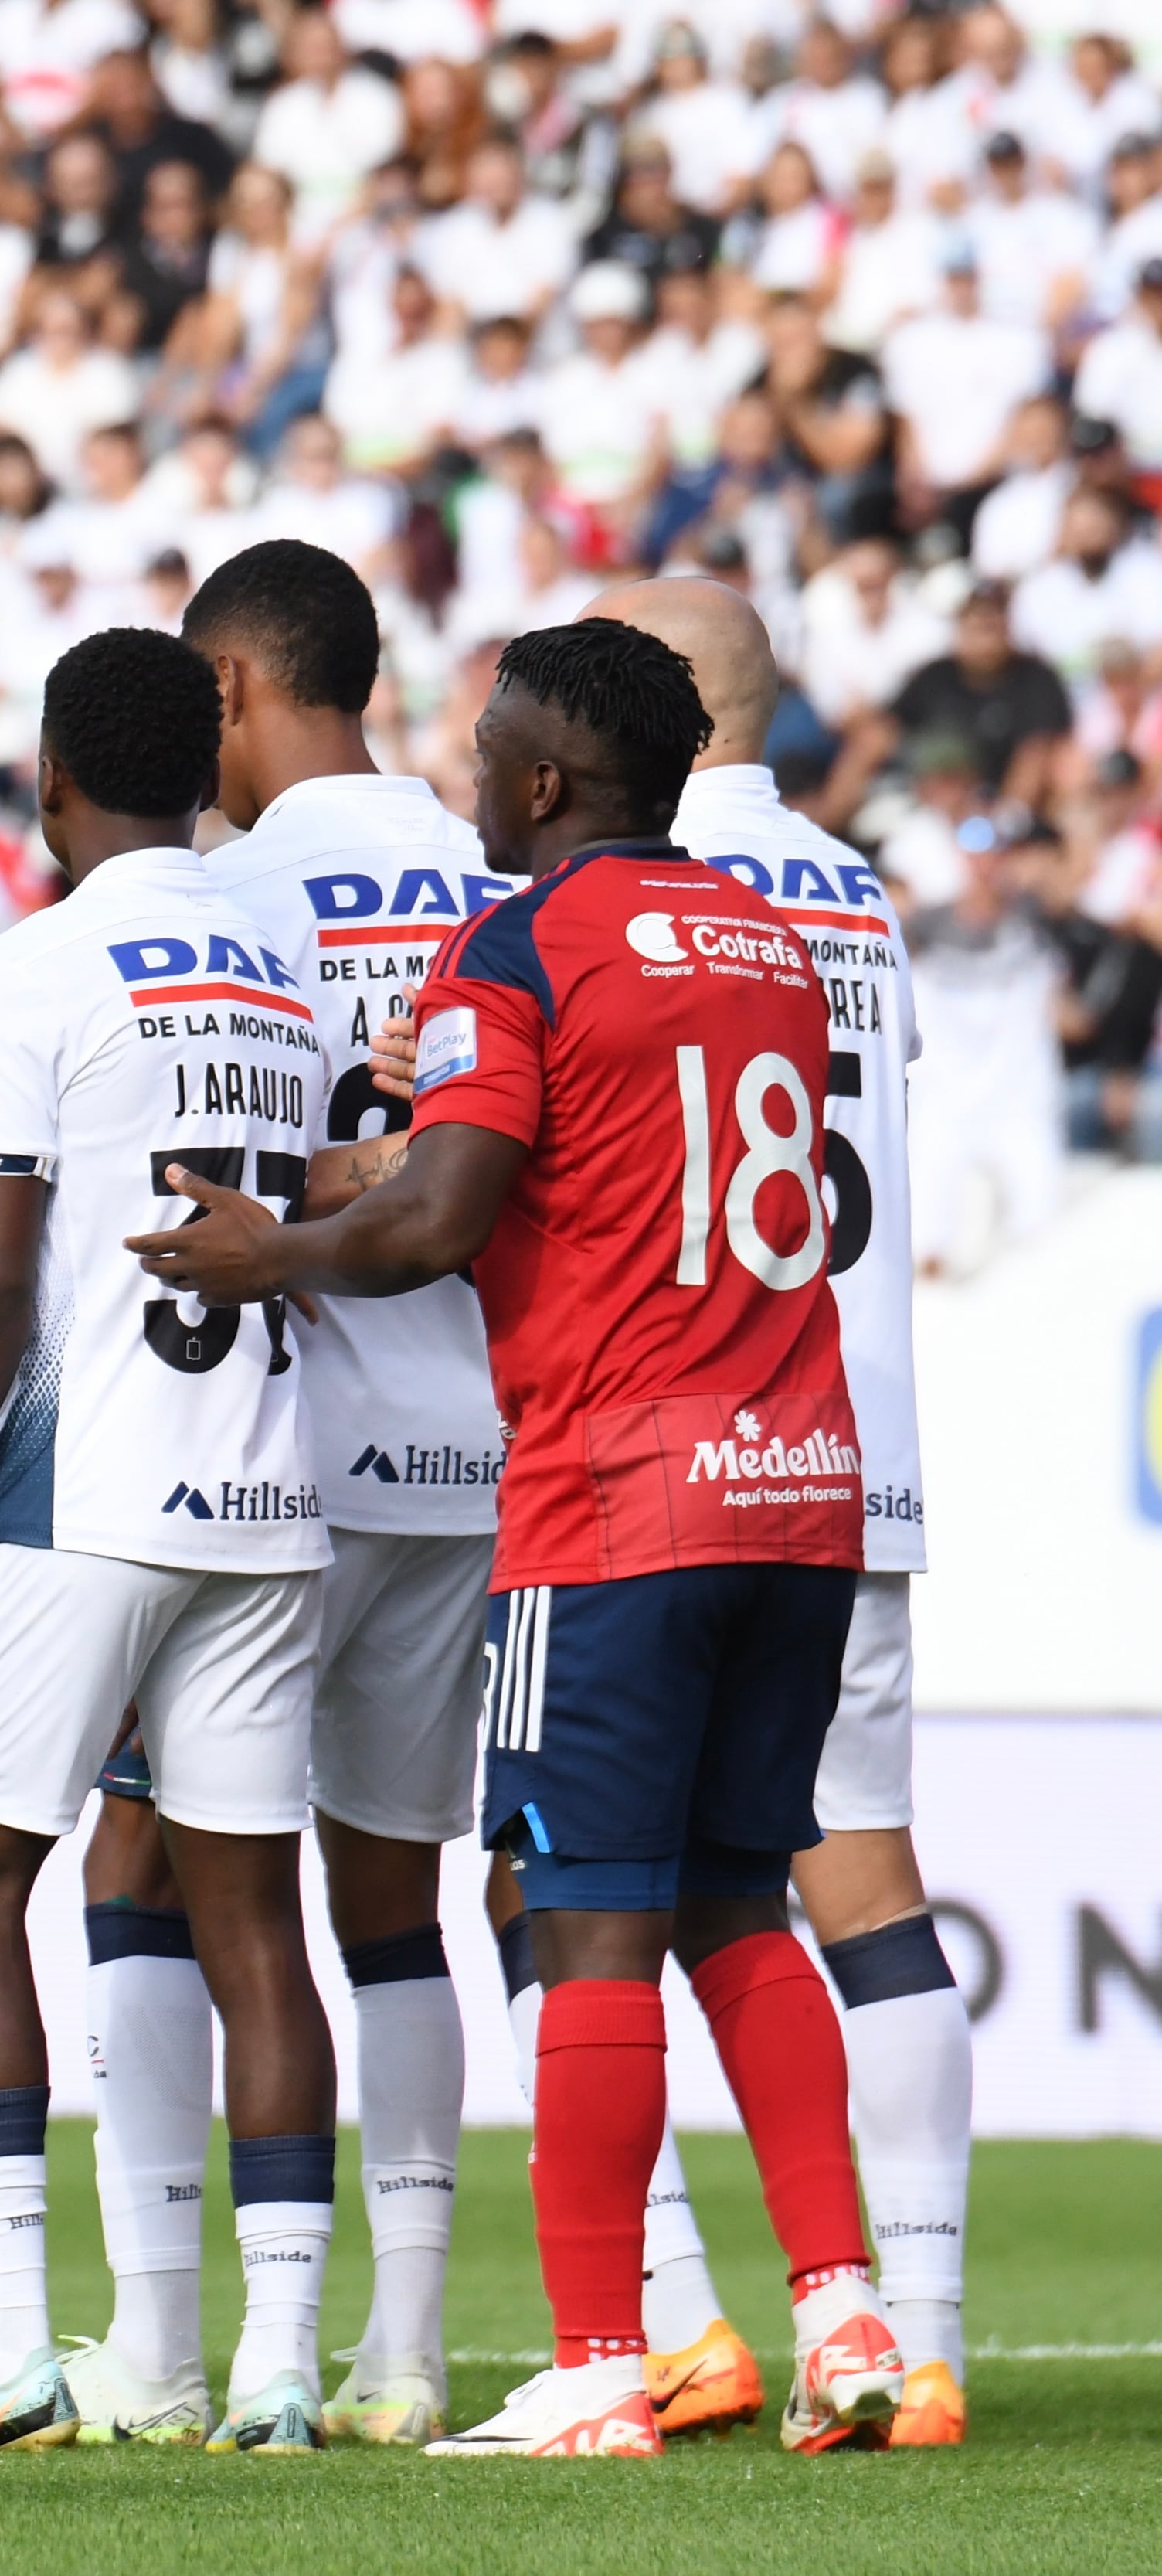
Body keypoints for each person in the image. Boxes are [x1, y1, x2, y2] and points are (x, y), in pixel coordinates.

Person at [131, 618, 901, 2461]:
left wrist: (267, 1250)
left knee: (585, 1919)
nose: (467, 777)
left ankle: (594, 2360)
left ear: (545, 778)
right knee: (740, 1901)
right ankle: (845, 2312)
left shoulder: (521, 944)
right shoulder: (763, 934)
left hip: (615, 1499)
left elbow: (438, 1222)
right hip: (797, 1476)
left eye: (487, 751)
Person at [0, 628, 339, 2457]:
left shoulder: (25, 968)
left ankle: (7, 2351)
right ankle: (277, 2367)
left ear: (52, 778)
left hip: (82, 1500)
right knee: (254, 1925)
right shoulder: (281, 963)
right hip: (268, 1495)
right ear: (203, 779)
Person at [51, 538, 502, 2449]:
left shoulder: (216, 900)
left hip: (264, 1463)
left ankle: (161, 2342)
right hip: (473, 1453)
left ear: (225, 691)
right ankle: (401, 2350)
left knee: (148, 1869)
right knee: (391, 1906)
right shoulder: (496, 879)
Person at [580, 576, 963, 2448]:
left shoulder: (624, 889)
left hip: (671, 1443)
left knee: (581, 1887)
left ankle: (669, 2315)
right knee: (865, 1880)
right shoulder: (854, 892)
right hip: (853, 1440)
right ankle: (918, 2333)